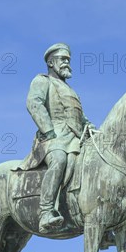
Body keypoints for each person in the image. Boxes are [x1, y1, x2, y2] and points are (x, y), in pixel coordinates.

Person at [21, 43, 95, 233]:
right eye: (63, 59)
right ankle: (46, 211)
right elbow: (34, 104)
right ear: (51, 63)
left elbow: (80, 117)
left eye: (68, 60)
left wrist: (91, 127)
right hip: (53, 138)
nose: (67, 63)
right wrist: (48, 131)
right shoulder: (42, 81)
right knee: (60, 159)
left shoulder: (71, 90)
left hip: (76, 138)